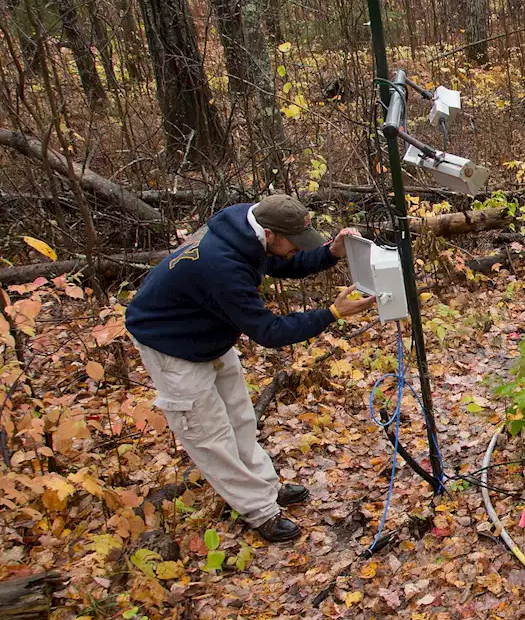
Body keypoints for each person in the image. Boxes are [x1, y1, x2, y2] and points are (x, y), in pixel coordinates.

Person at [126, 194, 376, 542]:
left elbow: (284, 263)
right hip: (171, 344)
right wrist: (332, 314)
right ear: (270, 234)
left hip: (208, 333)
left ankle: (267, 487)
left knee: (241, 417)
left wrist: (328, 253)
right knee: (210, 435)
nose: (296, 248)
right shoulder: (222, 265)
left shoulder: (246, 230)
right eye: (294, 242)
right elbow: (269, 332)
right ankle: (260, 512)